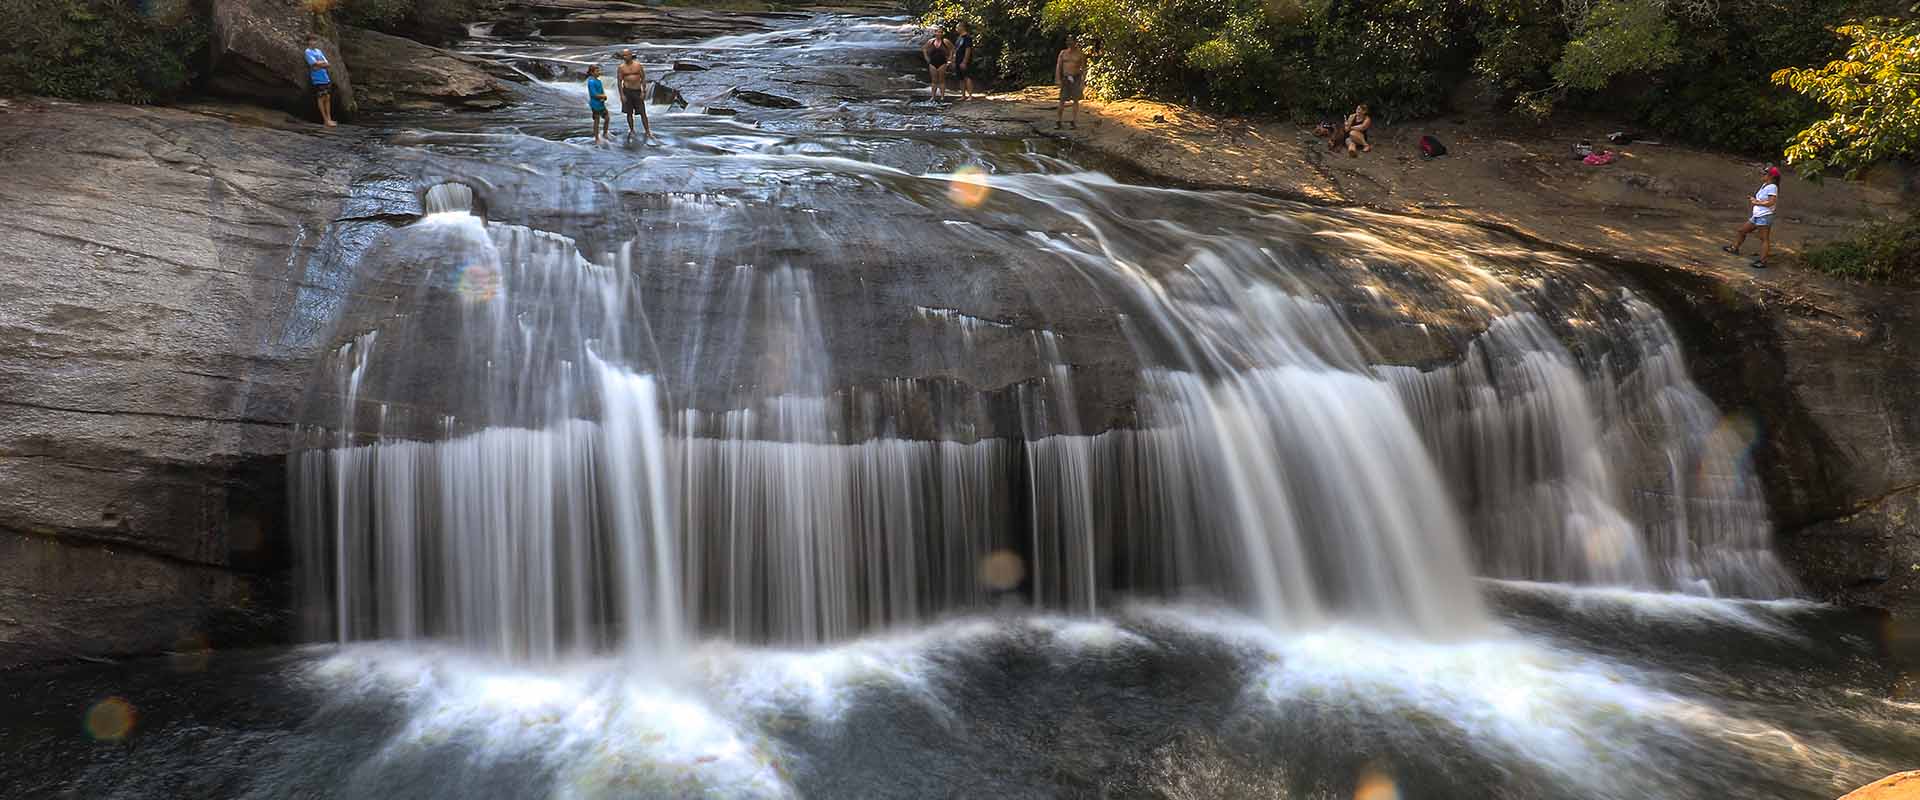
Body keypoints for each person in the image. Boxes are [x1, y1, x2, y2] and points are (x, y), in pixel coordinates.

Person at [1723, 166, 1781, 268]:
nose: (1762, 175)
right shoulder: (1765, 185)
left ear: (1771, 176)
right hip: (1757, 215)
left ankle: (1762, 261)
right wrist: (1754, 200)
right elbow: (1764, 199)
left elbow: (1771, 202)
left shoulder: (1772, 187)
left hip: (1764, 216)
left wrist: (1756, 202)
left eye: (1764, 174)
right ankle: (1734, 248)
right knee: (1742, 231)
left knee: (1764, 239)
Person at [616, 49, 654, 142]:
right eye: (623, 56)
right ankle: (632, 130)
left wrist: (643, 91)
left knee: (642, 112)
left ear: (630, 55)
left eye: (626, 55)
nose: (625, 57)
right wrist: (621, 95)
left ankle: (647, 131)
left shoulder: (638, 65)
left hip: (637, 91)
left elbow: (643, 78)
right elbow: (619, 81)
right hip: (627, 91)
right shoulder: (621, 67)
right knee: (629, 113)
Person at [304, 35, 336, 127]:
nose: (314, 42)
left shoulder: (318, 51)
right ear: (308, 42)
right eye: (312, 41)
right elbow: (313, 64)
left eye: (315, 40)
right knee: (321, 98)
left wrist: (319, 64)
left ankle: (329, 119)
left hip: (325, 77)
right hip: (317, 78)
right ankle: (325, 120)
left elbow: (327, 63)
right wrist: (319, 63)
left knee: (328, 98)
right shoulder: (308, 52)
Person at [1055, 37, 1086, 129]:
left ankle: (1073, 121)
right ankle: (1058, 121)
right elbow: (1058, 66)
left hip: (1076, 78)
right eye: (1068, 41)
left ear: (1075, 42)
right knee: (1062, 100)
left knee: (1075, 100)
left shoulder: (1080, 54)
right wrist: (1058, 79)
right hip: (1065, 78)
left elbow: (1084, 69)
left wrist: (1082, 82)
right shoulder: (1063, 53)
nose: (1069, 43)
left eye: (1071, 41)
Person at [922, 29, 951, 101]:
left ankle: (942, 96)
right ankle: (933, 96)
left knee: (942, 80)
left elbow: (952, 49)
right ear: (935, 33)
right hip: (932, 62)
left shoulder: (945, 41)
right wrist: (926, 58)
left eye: (941, 32)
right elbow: (924, 49)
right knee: (934, 80)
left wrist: (950, 59)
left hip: (942, 62)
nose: (939, 34)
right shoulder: (931, 41)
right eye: (938, 32)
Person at [585, 64, 610, 144]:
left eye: (599, 71)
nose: (599, 72)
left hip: (601, 103)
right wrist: (602, 96)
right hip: (595, 104)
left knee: (607, 118)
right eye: (597, 71)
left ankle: (605, 134)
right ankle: (596, 138)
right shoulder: (591, 82)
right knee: (597, 120)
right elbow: (593, 94)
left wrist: (604, 97)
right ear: (592, 73)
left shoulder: (598, 81)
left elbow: (601, 91)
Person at [952, 23, 976, 101]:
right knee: (960, 78)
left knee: (967, 77)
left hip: (964, 60)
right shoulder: (959, 37)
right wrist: (953, 60)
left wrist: (964, 61)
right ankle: (963, 95)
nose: (956, 28)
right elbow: (956, 49)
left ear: (962, 27)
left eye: (957, 27)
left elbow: (968, 49)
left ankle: (970, 96)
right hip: (958, 60)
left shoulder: (967, 38)